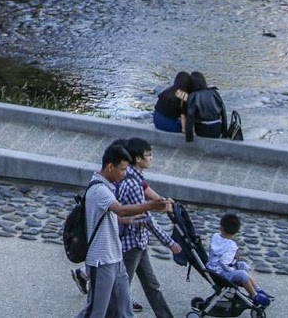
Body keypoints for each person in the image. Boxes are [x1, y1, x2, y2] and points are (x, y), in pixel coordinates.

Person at [75, 142, 168, 318]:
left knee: (123, 310)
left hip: (115, 258)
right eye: (123, 169)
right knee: (96, 311)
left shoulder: (107, 187)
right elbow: (120, 209)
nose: (124, 174)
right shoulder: (100, 190)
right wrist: (151, 206)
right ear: (110, 167)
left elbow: (113, 217)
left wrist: (129, 220)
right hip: (101, 260)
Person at [116, 138, 180, 318]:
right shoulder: (133, 184)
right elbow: (146, 218)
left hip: (138, 243)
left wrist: (162, 202)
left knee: (151, 285)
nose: (151, 158)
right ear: (137, 159)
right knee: (121, 288)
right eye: (148, 155)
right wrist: (170, 243)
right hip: (131, 244)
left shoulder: (134, 178)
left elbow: (150, 198)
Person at [206, 213, 270, 306]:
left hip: (212, 267)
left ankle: (257, 288)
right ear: (236, 231)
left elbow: (219, 252)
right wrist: (233, 268)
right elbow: (224, 263)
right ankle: (254, 294)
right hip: (221, 273)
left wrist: (233, 258)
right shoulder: (231, 246)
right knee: (242, 274)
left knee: (242, 265)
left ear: (221, 228)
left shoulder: (215, 236)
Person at [183, 72, 228, 141]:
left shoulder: (193, 96)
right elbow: (223, 114)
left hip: (203, 130)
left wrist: (189, 137)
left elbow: (190, 116)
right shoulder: (214, 93)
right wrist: (224, 133)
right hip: (217, 128)